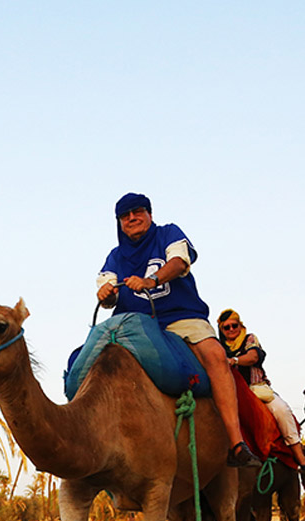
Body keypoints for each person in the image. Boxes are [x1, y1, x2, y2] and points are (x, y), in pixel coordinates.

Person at [96, 192, 260, 468]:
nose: (132, 218)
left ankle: (236, 443)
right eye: (125, 216)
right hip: (136, 323)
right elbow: (108, 292)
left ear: (149, 214)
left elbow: (180, 262)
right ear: (119, 223)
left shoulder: (168, 234)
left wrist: (152, 280)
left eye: (138, 212)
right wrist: (106, 294)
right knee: (98, 363)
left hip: (180, 316)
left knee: (216, 355)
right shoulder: (115, 257)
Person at [217, 309, 305, 473]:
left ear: (240, 325)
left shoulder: (249, 339)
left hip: (257, 389)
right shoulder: (218, 347)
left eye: (234, 325)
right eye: (226, 328)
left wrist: (234, 360)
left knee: (282, 411)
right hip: (231, 391)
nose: (231, 329)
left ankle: (301, 458)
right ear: (221, 330)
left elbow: (254, 357)